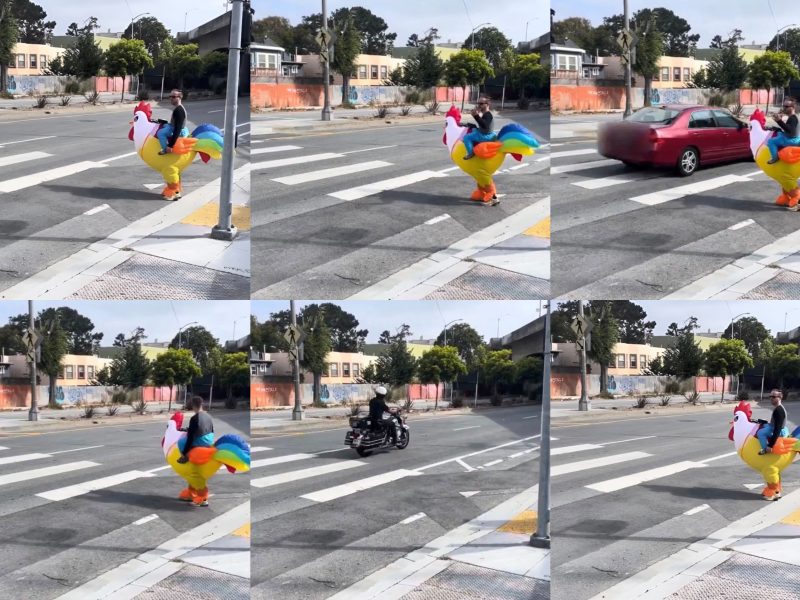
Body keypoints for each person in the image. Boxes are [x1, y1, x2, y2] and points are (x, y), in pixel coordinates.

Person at [177, 396, 214, 464]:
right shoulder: (208, 415)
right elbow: (211, 430)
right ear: (201, 404)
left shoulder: (194, 418)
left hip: (202, 441)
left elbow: (190, 438)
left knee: (181, 442)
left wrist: (185, 452)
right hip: (210, 439)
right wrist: (187, 429)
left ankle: (184, 458)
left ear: (193, 405)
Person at [767, 98, 800, 164]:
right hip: (793, 138)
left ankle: (775, 157)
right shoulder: (793, 117)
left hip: (792, 140)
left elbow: (790, 130)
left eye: (786, 107)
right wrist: (778, 123)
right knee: (779, 133)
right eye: (783, 106)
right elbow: (788, 129)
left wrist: (779, 121)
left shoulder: (793, 118)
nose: (784, 108)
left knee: (771, 141)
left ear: (792, 108)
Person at [157, 89, 189, 155]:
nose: (171, 98)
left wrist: (170, 145)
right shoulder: (178, 108)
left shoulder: (179, 111)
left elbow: (177, 129)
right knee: (164, 125)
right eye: (170, 96)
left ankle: (165, 149)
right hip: (174, 126)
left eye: (173, 97)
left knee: (160, 133)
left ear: (180, 98)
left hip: (180, 132)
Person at [758, 389, 789, 454]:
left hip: (780, 432)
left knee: (760, 433)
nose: (771, 398)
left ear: (780, 398)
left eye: (774, 397)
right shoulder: (778, 408)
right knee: (763, 425)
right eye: (770, 396)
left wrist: (770, 445)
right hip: (776, 427)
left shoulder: (779, 411)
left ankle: (765, 450)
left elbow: (777, 429)